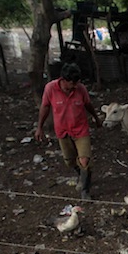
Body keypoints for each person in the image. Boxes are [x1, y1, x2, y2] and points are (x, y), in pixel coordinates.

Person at [35, 62, 102, 200]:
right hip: (63, 130)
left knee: (84, 159)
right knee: (70, 161)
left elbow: (88, 104)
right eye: (73, 83)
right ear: (64, 80)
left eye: (77, 83)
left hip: (80, 129)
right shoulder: (51, 88)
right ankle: (82, 175)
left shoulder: (81, 89)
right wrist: (39, 127)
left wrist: (96, 118)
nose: (75, 86)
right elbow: (45, 107)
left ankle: (85, 191)